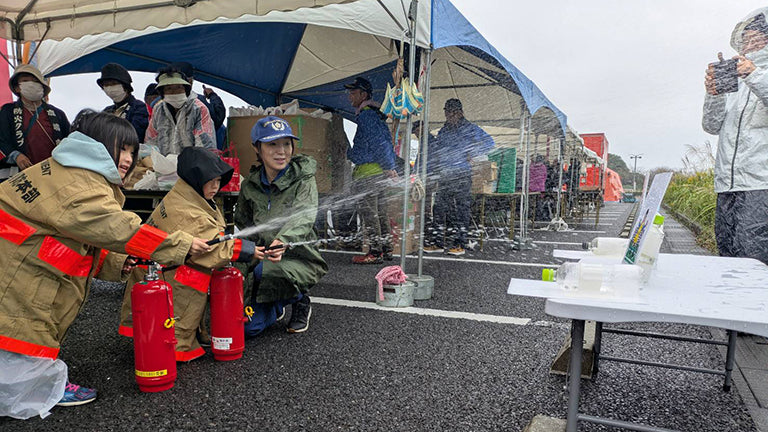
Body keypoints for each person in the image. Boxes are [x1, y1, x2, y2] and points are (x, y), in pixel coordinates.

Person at [0, 112, 211, 418]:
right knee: (24, 325)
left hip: (19, 258)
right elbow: (114, 226)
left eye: (131, 151)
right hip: (20, 271)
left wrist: (117, 262)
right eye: (120, 148)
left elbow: (76, 234)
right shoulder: (80, 184)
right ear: (95, 143)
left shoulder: (66, 170)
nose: (127, 159)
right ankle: (38, 389)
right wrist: (179, 245)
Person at [118, 147, 257, 361]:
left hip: (157, 276)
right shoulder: (186, 211)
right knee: (173, 331)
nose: (215, 186)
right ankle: (172, 347)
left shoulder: (188, 197)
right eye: (210, 180)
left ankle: (182, 335)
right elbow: (213, 247)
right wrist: (251, 250)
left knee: (171, 317)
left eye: (219, 180)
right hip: (168, 280)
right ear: (195, 178)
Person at [235, 116, 328, 335]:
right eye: (272, 144)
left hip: (299, 258)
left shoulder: (303, 179)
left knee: (262, 271)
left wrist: (284, 240)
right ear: (257, 148)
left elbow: (303, 216)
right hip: (263, 258)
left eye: (287, 143)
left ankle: (300, 299)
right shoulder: (250, 185)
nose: (282, 151)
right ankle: (274, 304)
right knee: (248, 329)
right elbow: (243, 222)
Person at [703, 8, 768, 265]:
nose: (749, 44)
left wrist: (753, 74)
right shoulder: (737, 81)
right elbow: (711, 125)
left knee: (753, 263)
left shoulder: (754, 75)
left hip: (760, 187)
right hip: (727, 187)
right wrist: (713, 94)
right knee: (728, 259)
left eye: (756, 39)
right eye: (746, 40)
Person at [425, 98, 495, 256]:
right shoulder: (444, 131)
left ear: (460, 113)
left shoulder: (470, 129)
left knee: (461, 209)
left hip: (462, 174)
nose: (449, 115)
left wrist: (473, 152)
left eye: (452, 112)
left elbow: (489, 143)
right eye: (447, 112)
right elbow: (438, 150)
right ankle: (437, 242)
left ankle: (460, 244)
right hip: (445, 174)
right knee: (439, 208)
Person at [344, 76, 398, 264]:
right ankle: (386, 250)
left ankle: (375, 253)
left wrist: (389, 167)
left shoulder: (366, 115)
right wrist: (389, 167)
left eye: (353, 93)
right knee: (381, 213)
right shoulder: (375, 115)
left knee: (370, 214)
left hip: (368, 174)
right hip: (378, 173)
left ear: (363, 94)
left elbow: (379, 144)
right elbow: (385, 143)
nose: (350, 96)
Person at [0, 64, 70, 182]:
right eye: (25, 81)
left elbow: (69, 141)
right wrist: (16, 155)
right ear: (17, 88)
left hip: (53, 175)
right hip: (19, 177)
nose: (31, 84)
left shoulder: (58, 114)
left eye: (35, 81)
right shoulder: (7, 111)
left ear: (42, 87)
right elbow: (1, 139)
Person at [144, 66, 216, 155]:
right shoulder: (158, 109)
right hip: (164, 165)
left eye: (178, 87)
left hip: (192, 165)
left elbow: (205, 146)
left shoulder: (198, 109)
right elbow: (151, 141)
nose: (174, 92)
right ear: (162, 93)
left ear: (186, 89)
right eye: (169, 88)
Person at [170, 62, 227, 149]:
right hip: (196, 155)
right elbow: (218, 118)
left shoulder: (161, 105)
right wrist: (212, 96)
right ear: (190, 81)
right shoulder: (199, 102)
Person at [97, 62, 149, 142]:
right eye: (106, 85)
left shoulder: (139, 108)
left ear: (125, 86)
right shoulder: (106, 112)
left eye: (114, 83)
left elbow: (135, 136)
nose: (110, 88)